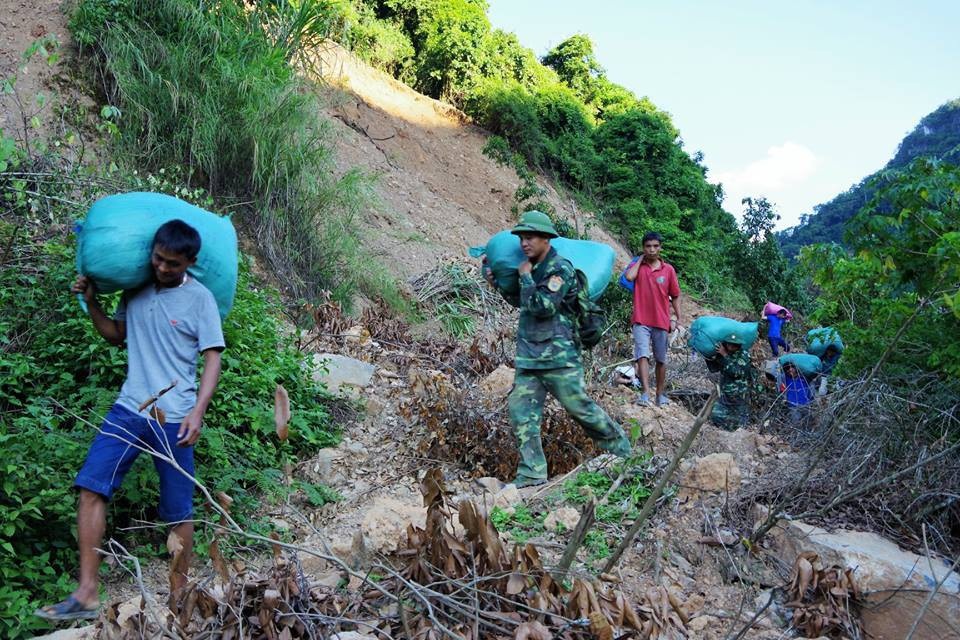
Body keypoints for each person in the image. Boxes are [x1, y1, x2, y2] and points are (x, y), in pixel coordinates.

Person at [36, 220, 225, 621]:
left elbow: (213, 357)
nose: (162, 267)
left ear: (190, 262)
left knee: (178, 511)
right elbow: (114, 334)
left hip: (175, 417)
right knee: (91, 487)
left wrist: (198, 411)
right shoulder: (136, 289)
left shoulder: (201, 300)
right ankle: (87, 593)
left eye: (172, 263)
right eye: (157, 258)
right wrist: (93, 303)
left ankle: (180, 595)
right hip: (129, 408)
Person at [484, 211, 632, 488]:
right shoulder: (530, 267)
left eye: (530, 238)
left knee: (581, 409)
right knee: (521, 413)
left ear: (546, 239)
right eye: (521, 238)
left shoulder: (560, 268)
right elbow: (522, 302)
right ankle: (531, 474)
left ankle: (624, 454)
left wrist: (525, 278)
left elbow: (543, 307)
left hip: (559, 358)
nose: (524, 243)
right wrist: (498, 285)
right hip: (530, 357)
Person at [624, 232, 682, 407]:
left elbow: (676, 295)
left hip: (661, 320)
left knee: (661, 359)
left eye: (655, 246)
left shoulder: (668, 270)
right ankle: (645, 394)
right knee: (642, 354)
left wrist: (678, 318)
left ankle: (660, 394)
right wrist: (640, 260)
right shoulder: (638, 267)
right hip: (641, 319)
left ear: (660, 247)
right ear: (643, 248)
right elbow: (628, 277)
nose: (652, 249)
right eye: (648, 246)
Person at [704, 340, 754, 430]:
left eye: (732, 345)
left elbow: (736, 372)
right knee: (716, 415)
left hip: (739, 396)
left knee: (741, 424)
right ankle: (727, 433)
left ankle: (735, 436)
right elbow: (714, 369)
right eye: (728, 344)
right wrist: (708, 356)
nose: (729, 346)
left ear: (737, 345)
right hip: (725, 394)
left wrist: (725, 355)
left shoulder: (744, 355)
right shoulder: (726, 352)